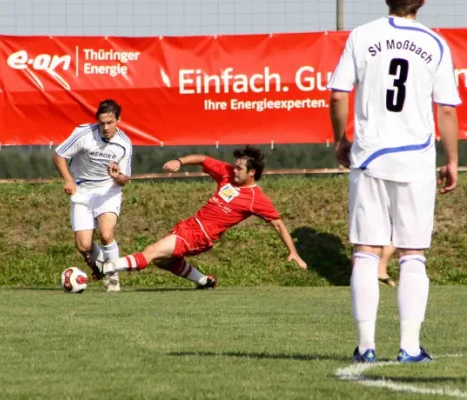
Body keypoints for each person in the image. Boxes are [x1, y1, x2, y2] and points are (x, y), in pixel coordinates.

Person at [328, 0, 460, 363]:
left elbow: (339, 94)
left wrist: (340, 139)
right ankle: (410, 347)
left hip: (369, 155)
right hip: (416, 158)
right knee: (413, 254)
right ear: (423, 2)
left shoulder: (363, 34)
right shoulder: (433, 42)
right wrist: (451, 159)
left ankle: (366, 347)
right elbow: (447, 108)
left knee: (366, 252)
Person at [91, 145, 308, 288]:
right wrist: (180, 161)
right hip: (190, 226)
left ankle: (106, 268)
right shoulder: (227, 173)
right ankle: (204, 281)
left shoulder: (255, 198)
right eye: (235, 166)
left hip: (200, 235)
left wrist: (293, 252)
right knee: (162, 262)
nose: (234, 171)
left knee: (151, 251)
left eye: (240, 169)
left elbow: (278, 224)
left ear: (252, 173)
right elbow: (203, 159)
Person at [53, 99, 132, 292]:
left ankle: (113, 279)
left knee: (106, 234)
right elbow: (59, 154)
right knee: (83, 245)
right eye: (102, 123)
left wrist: (117, 176)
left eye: (110, 122)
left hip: (108, 191)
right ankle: (101, 269)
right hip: (82, 190)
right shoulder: (84, 133)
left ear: (118, 120)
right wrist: (69, 180)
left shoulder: (124, 144)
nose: (105, 127)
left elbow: (124, 179)